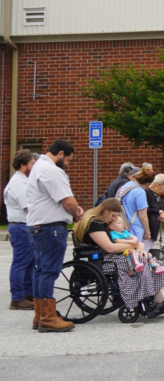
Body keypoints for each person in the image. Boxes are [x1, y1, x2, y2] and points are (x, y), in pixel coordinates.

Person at [73, 199, 164, 318]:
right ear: (105, 210)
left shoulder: (100, 222)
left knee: (151, 261)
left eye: (116, 216)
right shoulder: (94, 223)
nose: (114, 219)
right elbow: (110, 247)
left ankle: (160, 298)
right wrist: (135, 244)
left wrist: (137, 246)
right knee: (138, 262)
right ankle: (145, 300)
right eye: (113, 215)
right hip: (100, 260)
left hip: (105, 256)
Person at [25, 139, 81, 332]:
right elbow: (68, 202)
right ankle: (48, 318)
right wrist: (76, 212)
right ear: (60, 154)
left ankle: (40, 315)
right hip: (51, 228)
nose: (68, 164)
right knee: (49, 271)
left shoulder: (38, 167)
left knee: (40, 271)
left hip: (37, 225)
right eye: (68, 160)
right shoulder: (52, 171)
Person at [4, 150, 36, 310]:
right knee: (21, 263)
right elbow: (30, 208)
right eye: (31, 163)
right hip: (21, 227)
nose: (34, 166)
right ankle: (17, 298)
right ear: (23, 165)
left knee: (29, 263)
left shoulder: (22, 182)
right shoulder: (19, 184)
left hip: (23, 226)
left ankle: (27, 294)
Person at [117, 165, 155, 245]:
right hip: (134, 228)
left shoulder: (123, 187)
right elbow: (143, 216)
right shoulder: (139, 192)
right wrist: (147, 232)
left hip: (120, 226)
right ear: (147, 184)